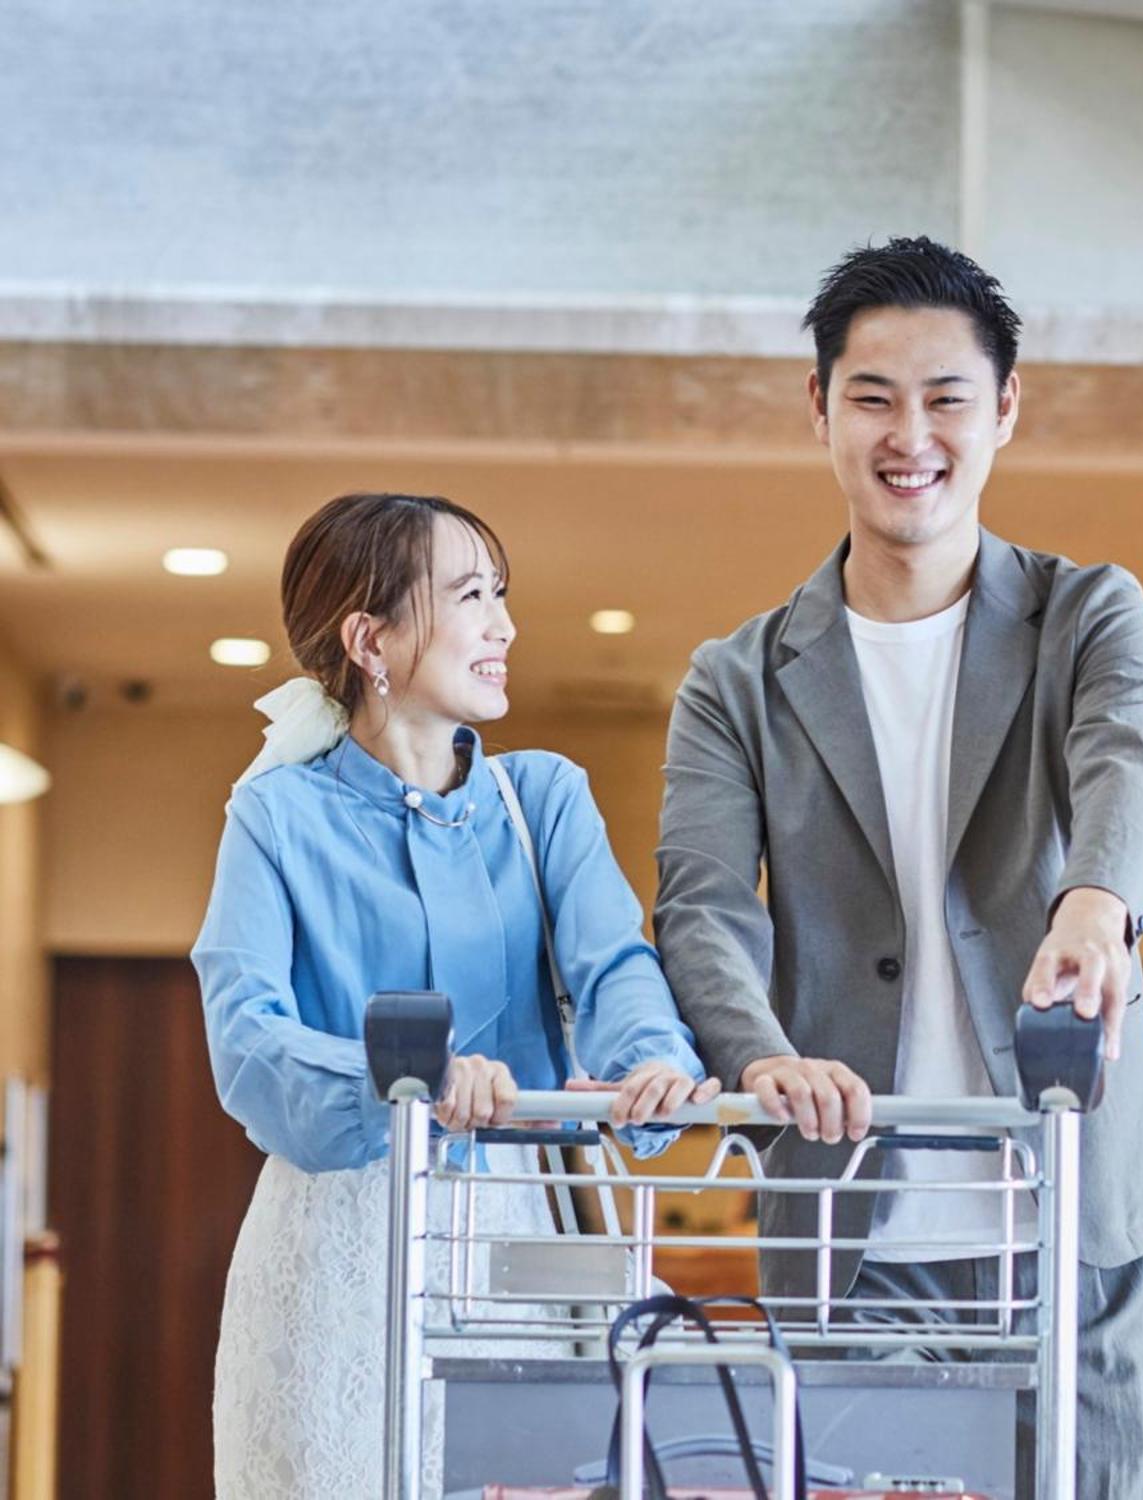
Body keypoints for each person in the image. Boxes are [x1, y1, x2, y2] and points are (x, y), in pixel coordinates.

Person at [655, 237, 1143, 1497]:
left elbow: (1129, 768)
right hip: (851, 1231)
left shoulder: (1089, 614)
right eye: (873, 397)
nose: (912, 435)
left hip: (1078, 1224)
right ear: (820, 410)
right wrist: (756, 1053)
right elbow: (701, 907)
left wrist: (1096, 906)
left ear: (1005, 407)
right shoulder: (734, 680)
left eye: (947, 397)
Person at [193, 491, 717, 1498]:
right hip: (337, 1250)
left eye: (501, 595)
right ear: (370, 638)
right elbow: (246, 1035)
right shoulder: (274, 817)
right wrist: (406, 1079)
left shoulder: (544, 797)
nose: (504, 625)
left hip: (519, 1235)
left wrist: (651, 1057)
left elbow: (615, 964)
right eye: (471, 595)